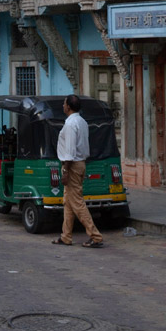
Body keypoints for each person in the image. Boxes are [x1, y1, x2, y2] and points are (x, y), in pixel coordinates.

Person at [51, 95, 104, 248]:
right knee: (68, 202)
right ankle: (66, 236)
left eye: (64, 103)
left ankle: (95, 236)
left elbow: (70, 151)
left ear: (68, 106)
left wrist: (65, 171)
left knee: (77, 202)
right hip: (79, 163)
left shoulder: (71, 124)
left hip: (72, 165)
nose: (63, 106)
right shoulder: (82, 122)